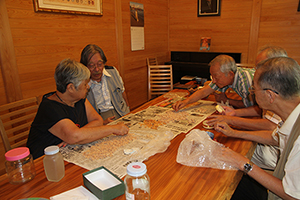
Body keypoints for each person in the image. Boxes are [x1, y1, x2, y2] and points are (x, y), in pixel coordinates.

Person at [216, 57, 300, 200]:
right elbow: (274, 138)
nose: (252, 93)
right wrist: (234, 133)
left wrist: (243, 163)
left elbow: (291, 194)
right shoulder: (291, 116)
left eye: (254, 88)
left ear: (270, 95)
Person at [26, 58, 129, 159]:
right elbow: (75, 136)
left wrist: (77, 135)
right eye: (84, 84)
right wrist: (113, 128)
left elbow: (98, 120)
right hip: (45, 161)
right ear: (70, 88)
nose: (88, 87)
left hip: (69, 152)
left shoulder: (78, 98)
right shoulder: (49, 108)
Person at [206, 46, 288, 170]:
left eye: (259, 67)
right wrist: (235, 114)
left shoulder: (280, 93)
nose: (256, 71)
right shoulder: (276, 88)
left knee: (219, 151)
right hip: (272, 143)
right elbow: (272, 131)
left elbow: (271, 126)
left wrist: (232, 121)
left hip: (274, 155)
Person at [173, 54, 255, 111]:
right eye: (212, 77)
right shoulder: (227, 77)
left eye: (216, 77)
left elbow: (251, 106)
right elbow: (204, 91)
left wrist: (227, 100)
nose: (214, 81)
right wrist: (185, 101)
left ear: (230, 74)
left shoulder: (247, 82)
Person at [80, 44, 130, 121]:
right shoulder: (82, 82)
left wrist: (128, 111)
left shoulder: (112, 71)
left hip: (120, 112)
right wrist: (101, 123)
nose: (97, 69)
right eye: (91, 66)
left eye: (100, 64)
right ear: (85, 66)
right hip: (100, 118)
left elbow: (122, 92)